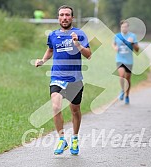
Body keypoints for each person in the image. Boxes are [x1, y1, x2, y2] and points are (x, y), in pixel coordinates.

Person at [35, 5, 91, 155]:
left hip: (75, 79)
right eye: (62, 15)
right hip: (57, 77)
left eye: (67, 15)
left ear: (72, 18)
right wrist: (43, 60)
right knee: (55, 106)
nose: (64, 17)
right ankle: (61, 139)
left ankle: (74, 138)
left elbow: (89, 55)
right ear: (58, 17)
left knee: (75, 110)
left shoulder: (79, 33)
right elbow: (51, 49)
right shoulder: (53, 35)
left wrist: (77, 44)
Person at [112, 20, 139, 104]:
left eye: (126, 27)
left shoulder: (132, 36)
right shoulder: (117, 36)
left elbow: (137, 50)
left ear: (128, 27)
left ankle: (127, 95)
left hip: (129, 61)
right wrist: (115, 47)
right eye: (123, 27)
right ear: (120, 27)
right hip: (120, 59)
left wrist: (133, 43)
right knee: (121, 75)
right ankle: (122, 90)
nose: (124, 28)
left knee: (128, 79)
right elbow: (113, 44)